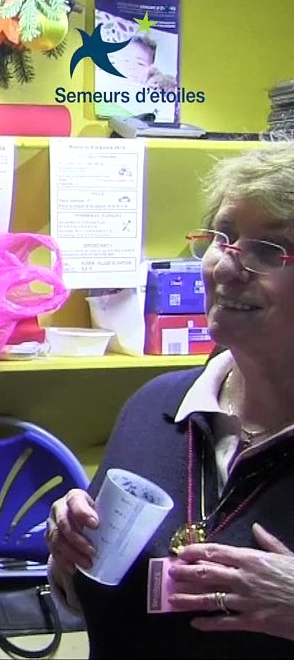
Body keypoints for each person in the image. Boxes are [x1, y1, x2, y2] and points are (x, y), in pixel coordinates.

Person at [46, 141, 294, 658]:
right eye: (223, 237)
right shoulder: (155, 408)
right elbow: (94, 596)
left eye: (268, 250)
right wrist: (68, 557)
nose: (225, 269)